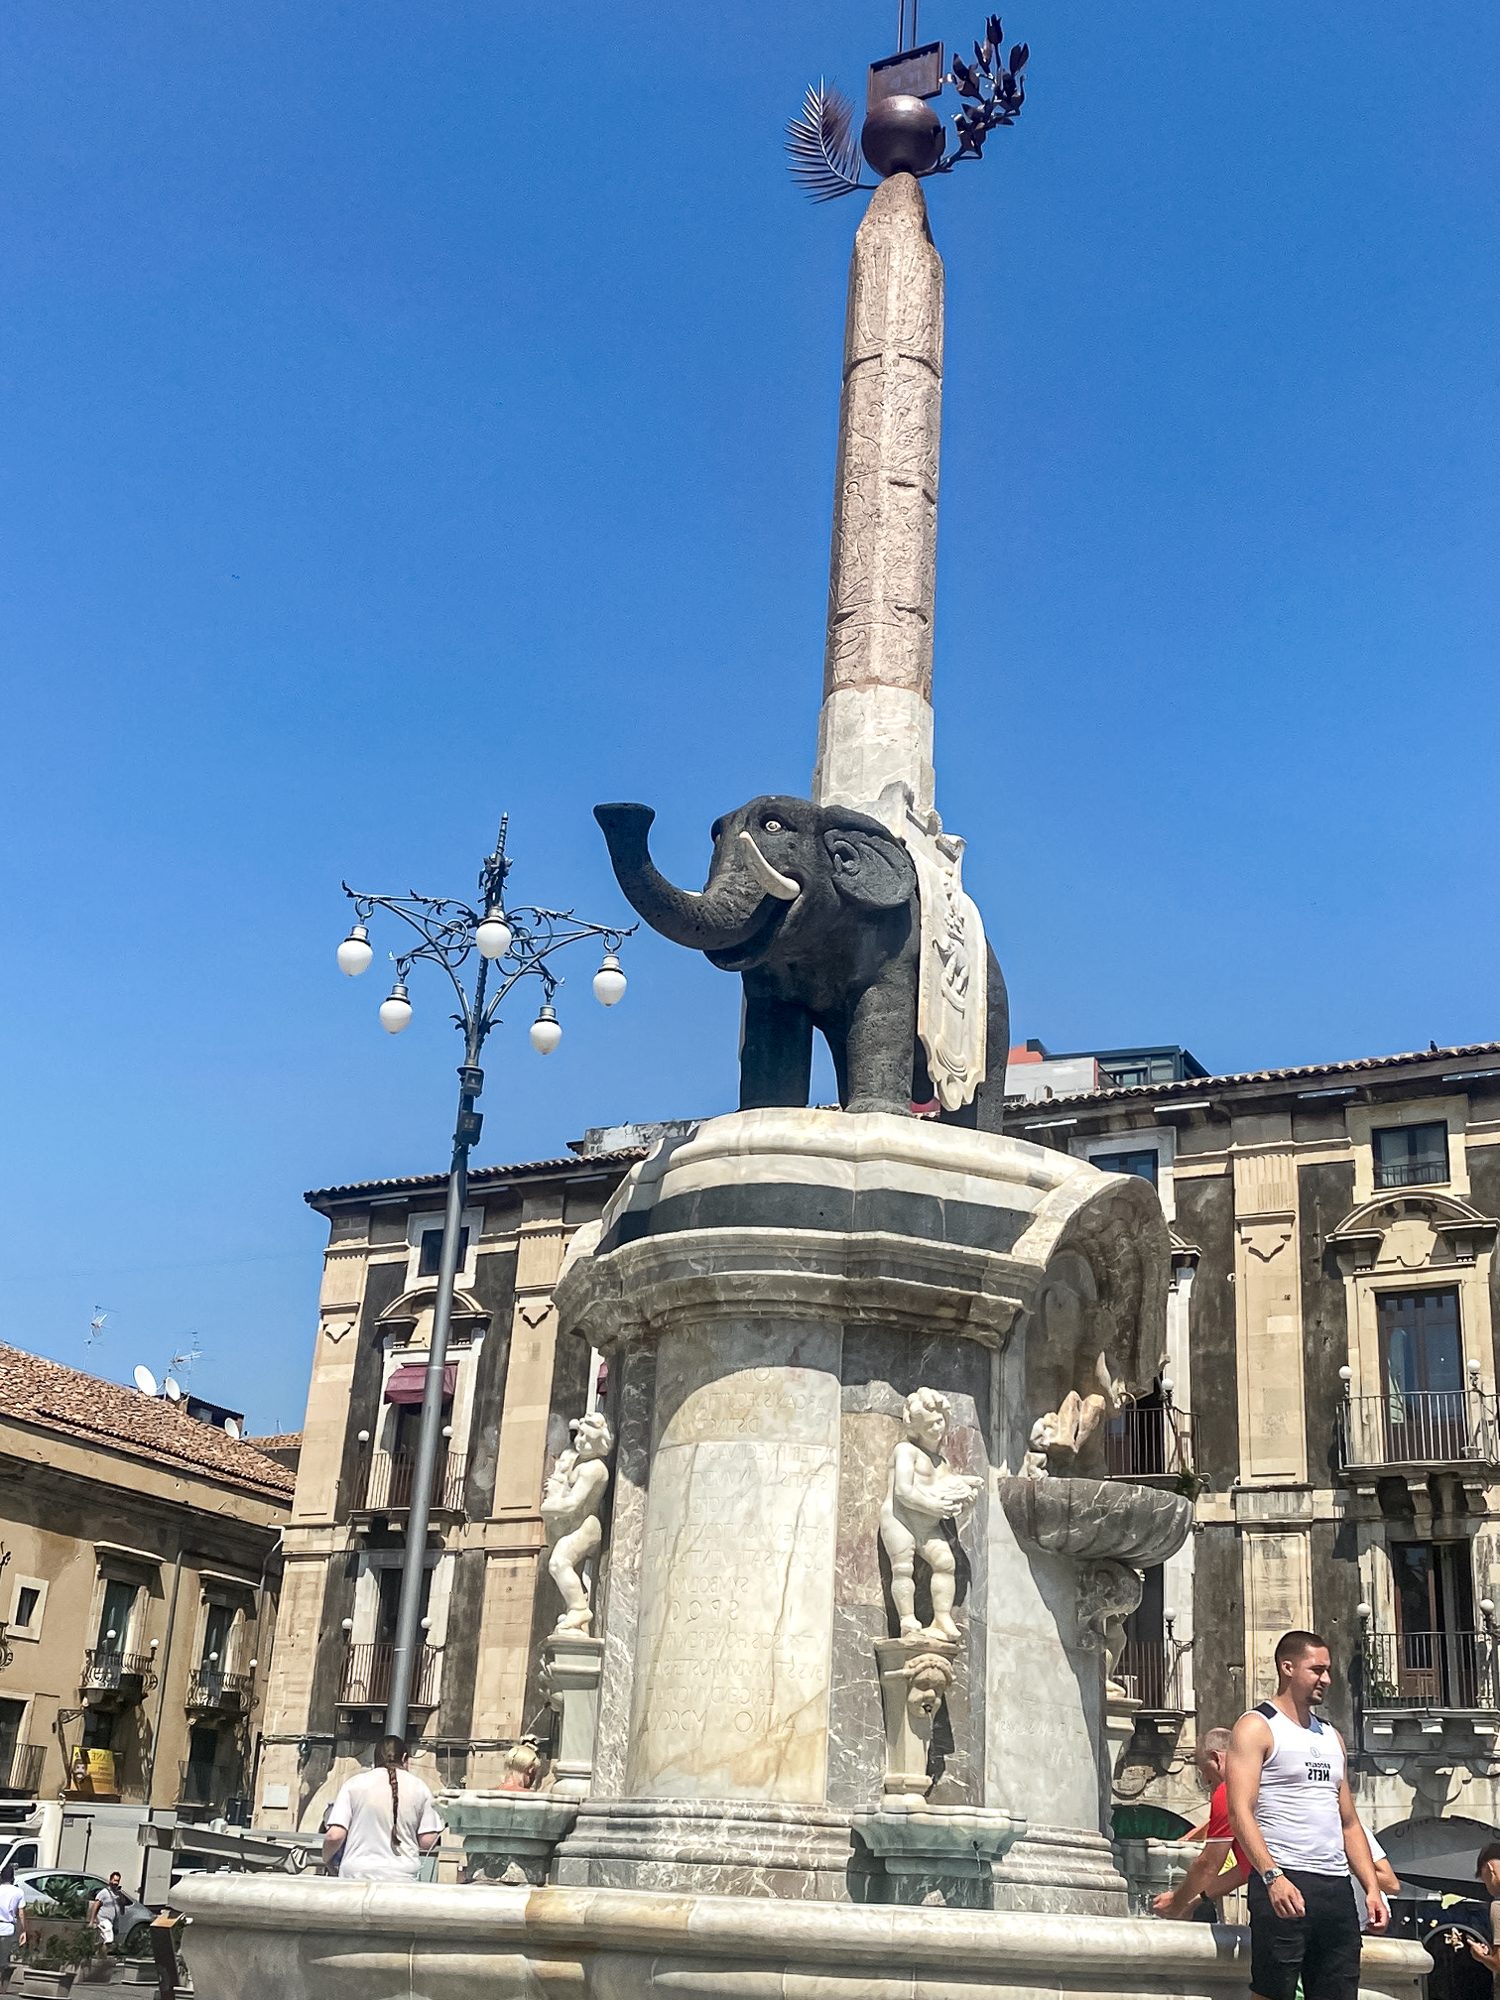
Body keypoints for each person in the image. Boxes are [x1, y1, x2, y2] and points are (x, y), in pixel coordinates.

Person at [1227, 1630, 1389, 2000]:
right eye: (1317, 1669)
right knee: (1273, 1991)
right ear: (1287, 1668)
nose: (1326, 1679)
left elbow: (1349, 1822)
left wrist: (1371, 1888)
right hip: (1284, 1876)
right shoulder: (1257, 1726)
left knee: (1339, 1991)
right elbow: (1239, 1812)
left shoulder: (1331, 1736)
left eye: (1327, 1670)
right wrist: (1273, 1877)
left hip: (1334, 1885)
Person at [1153, 1727, 1250, 1920]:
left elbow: (1208, 1864)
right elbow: (1246, 1870)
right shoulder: (1266, 1782)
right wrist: (1195, 1900)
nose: (1206, 1780)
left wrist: (1176, 1902)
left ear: (1216, 1758)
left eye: (1205, 1770)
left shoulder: (1231, 1790)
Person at [321, 1735, 443, 1883]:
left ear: (375, 1760)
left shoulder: (353, 1784)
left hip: (356, 1876)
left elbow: (334, 1836)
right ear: (405, 1758)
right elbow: (427, 1841)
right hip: (402, 1878)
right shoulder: (420, 1788)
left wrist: (326, 1859)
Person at [0, 1866, 27, 1988]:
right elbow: (21, 1913)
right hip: (8, 1927)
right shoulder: (18, 1892)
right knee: (4, 1957)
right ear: (13, 1878)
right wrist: (23, 1931)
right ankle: (2, 1984)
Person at [87, 1871, 127, 1954]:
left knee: (102, 1941)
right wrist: (92, 1921)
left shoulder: (118, 1894)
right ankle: (103, 1957)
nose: (116, 1883)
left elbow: (122, 1911)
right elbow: (96, 1905)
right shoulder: (104, 1892)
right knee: (109, 1940)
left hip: (113, 1921)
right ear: (110, 1880)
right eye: (114, 1880)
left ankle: (97, 1955)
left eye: (117, 1881)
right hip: (103, 1920)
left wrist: (122, 1901)